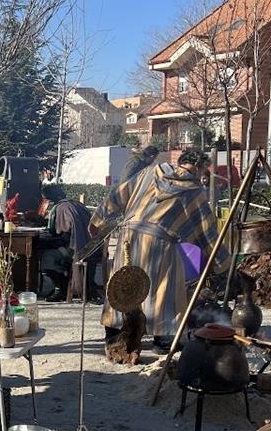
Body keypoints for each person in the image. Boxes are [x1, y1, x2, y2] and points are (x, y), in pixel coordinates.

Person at [92, 148, 219, 355]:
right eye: (203, 170)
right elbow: (207, 229)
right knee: (163, 291)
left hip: (128, 237)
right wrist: (222, 260)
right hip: (160, 245)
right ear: (197, 166)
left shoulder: (150, 172)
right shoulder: (194, 192)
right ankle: (164, 340)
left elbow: (119, 192)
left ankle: (114, 338)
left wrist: (99, 218)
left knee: (121, 286)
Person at [37, 184, 98, 302]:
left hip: (75, 249)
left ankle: (61, 289)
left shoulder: (60, 208)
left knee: (46, 257)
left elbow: (59, 234)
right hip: (91, 247)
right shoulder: (78, 205)